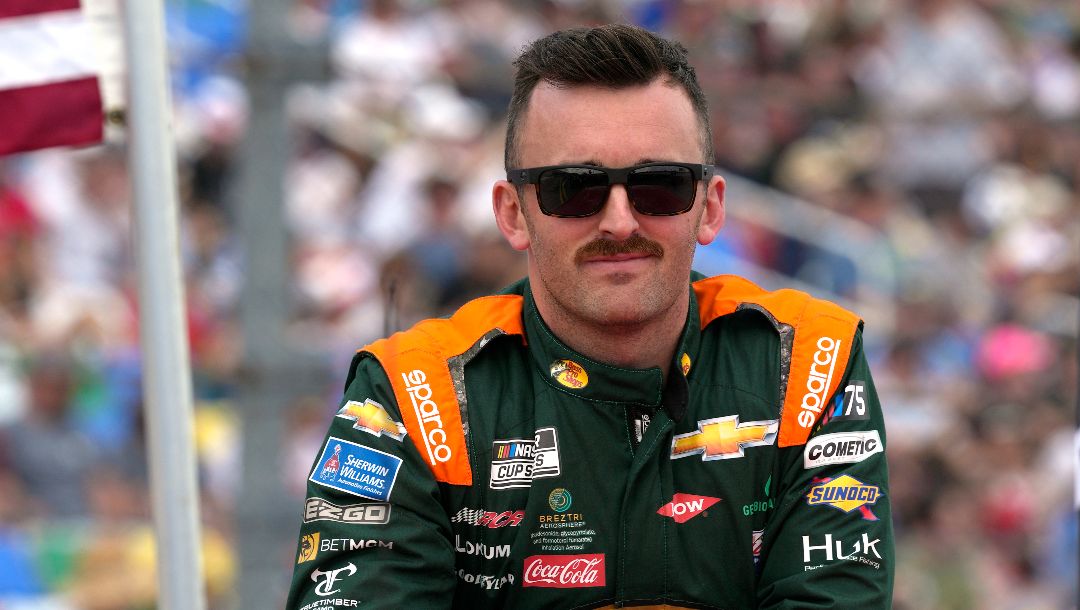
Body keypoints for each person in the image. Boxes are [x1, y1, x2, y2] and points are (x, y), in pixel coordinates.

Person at [287, 23, 893, 609]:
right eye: (573, 189)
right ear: (513, 213)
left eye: (660, 185)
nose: (620, 221)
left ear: (710, 208)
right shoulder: (410, 392)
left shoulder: (812, 362)